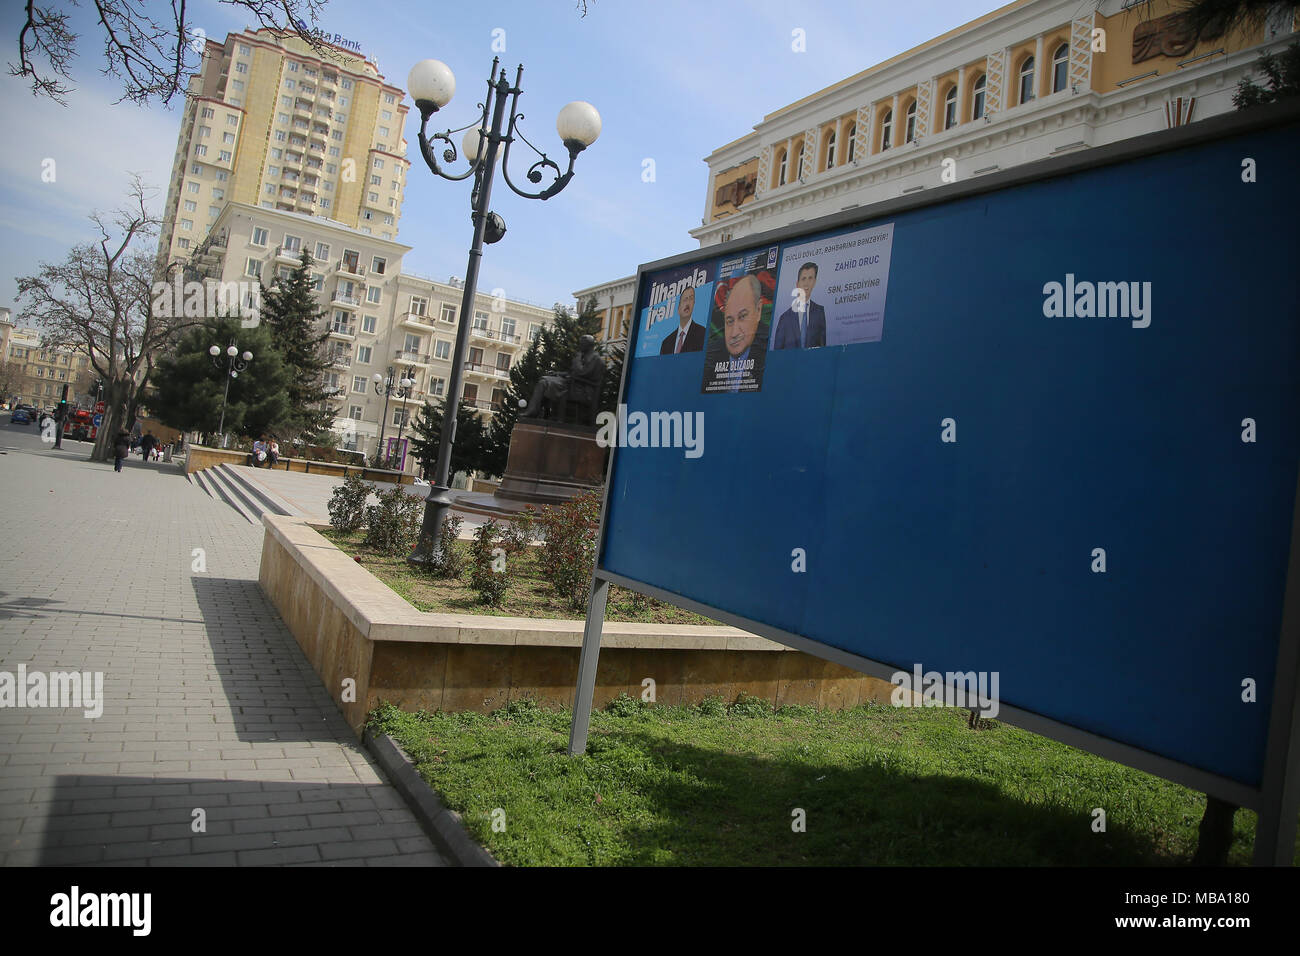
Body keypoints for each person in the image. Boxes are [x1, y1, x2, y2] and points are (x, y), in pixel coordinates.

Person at [520, 334, 605, 424]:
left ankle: (534, 411)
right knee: (544, 380)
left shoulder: (596, 359)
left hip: (582, 390)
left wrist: (577, 359)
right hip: (571, 383)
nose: (580, 346)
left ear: (589, 345)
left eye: (582, 344)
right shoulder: (584, 356)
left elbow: (581, 372)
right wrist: (558, 373)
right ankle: (535, 412)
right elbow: (573, 372)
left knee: (544, 383)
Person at [703, 274, 767, 393]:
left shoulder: (770, 349)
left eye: (742, 316)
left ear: (758, 310)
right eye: (729, 321)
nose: (734, 333)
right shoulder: (710, 356)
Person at [772, 261, 827, 350]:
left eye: (810, 278)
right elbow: (778, 353)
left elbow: (823, 348)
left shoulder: (819, 312)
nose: (806, 283)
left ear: (814, 282)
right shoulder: (785, 318)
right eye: (803, 279)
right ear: (797, 284)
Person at [658, 285, 706, 355]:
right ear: (678, 309)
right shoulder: (666, 343)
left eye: (691, 299)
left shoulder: (703, 334)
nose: (688, 303)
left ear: (694, 304)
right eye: (685, 299)